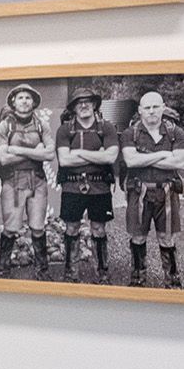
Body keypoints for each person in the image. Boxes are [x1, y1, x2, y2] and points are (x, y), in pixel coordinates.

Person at [54, 87, 120, 281]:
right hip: (72, 186)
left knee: (99, 229)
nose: (83, 105)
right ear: (73, 107)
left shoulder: (106, 127)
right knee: (71, 228)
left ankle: (102, 272)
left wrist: (79, 153)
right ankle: (70, 273)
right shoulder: (65, 129)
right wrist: (97, 156)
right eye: (78, 102)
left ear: (94, 104)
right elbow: (64, 160)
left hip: (99, 186)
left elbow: (111, 157)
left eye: (87, 101)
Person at [119, 90, 184, 287]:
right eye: (147, 107)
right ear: (140, 111)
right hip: (139, 192)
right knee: (137, 236)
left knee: (167, 238)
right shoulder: (131, 133)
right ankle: (138, 277)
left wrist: (144, 159)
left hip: (167, 192)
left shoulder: (176, 132)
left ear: (163, 107)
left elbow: (179, 161)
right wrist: (164, 155)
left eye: (156, 106)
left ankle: (172, 280)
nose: (151, 111)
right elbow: (130, 161)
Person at [0, 83, 53, 274]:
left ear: (33, 102)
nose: (24, 101)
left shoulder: (42, 125)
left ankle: (42, 270)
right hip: (13, 182)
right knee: (10, 228)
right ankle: (3, 269)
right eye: (20, 98)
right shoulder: (4, 126)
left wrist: (17, 149)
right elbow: (4, 158)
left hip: (38, 181)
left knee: (38, 227)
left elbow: (50, 154)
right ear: (13, 102)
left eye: (28, 97)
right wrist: (35, 152)